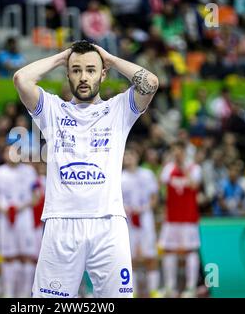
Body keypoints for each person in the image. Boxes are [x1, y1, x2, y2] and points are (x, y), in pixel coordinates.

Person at [13, 40, 159, 298]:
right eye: (76, 70)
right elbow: (21, 79)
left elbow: (150, 82)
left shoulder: (118, 109)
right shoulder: (52, 110)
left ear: (102, 74)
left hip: (108, 224)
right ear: (67, 73)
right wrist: (62, 57)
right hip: (60, 224)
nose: (83, 77)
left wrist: (110, 59)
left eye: (91, 70)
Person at [0, 145, 38, 297]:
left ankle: (25, 294)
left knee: (27, 256)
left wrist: (20, 207)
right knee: (9, 256)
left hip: (24, 217)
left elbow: (36, 196)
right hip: (5, 219)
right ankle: (9, 294)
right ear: (3, 154)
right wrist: (4, 209)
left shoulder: (29, 171)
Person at [159, 141, 202, 298]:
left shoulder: (195, 168)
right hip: (172, 217)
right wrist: (168, 162)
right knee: (168, 250)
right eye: (175, 151)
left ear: (185, 152)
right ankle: (170, 287)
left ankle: (190, 288)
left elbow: (193, 185)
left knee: (190, 250)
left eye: (179, 151)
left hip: (188, 218)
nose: (177, 154)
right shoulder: (169, 168)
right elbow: (160, 184)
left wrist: (183, 167)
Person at [121, 146, 161, 298]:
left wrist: (145, 207)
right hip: (129, 220)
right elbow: (116, 200)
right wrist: (127, 208)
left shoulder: (147, 174)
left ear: (137, 156)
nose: (128, 158)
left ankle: (154, 291)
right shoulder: (120, 178)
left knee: (150, 255)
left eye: (131, 155)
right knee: (130, 258)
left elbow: (154, 197)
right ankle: (132, 292)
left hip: (145, 218)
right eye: (125, 156)